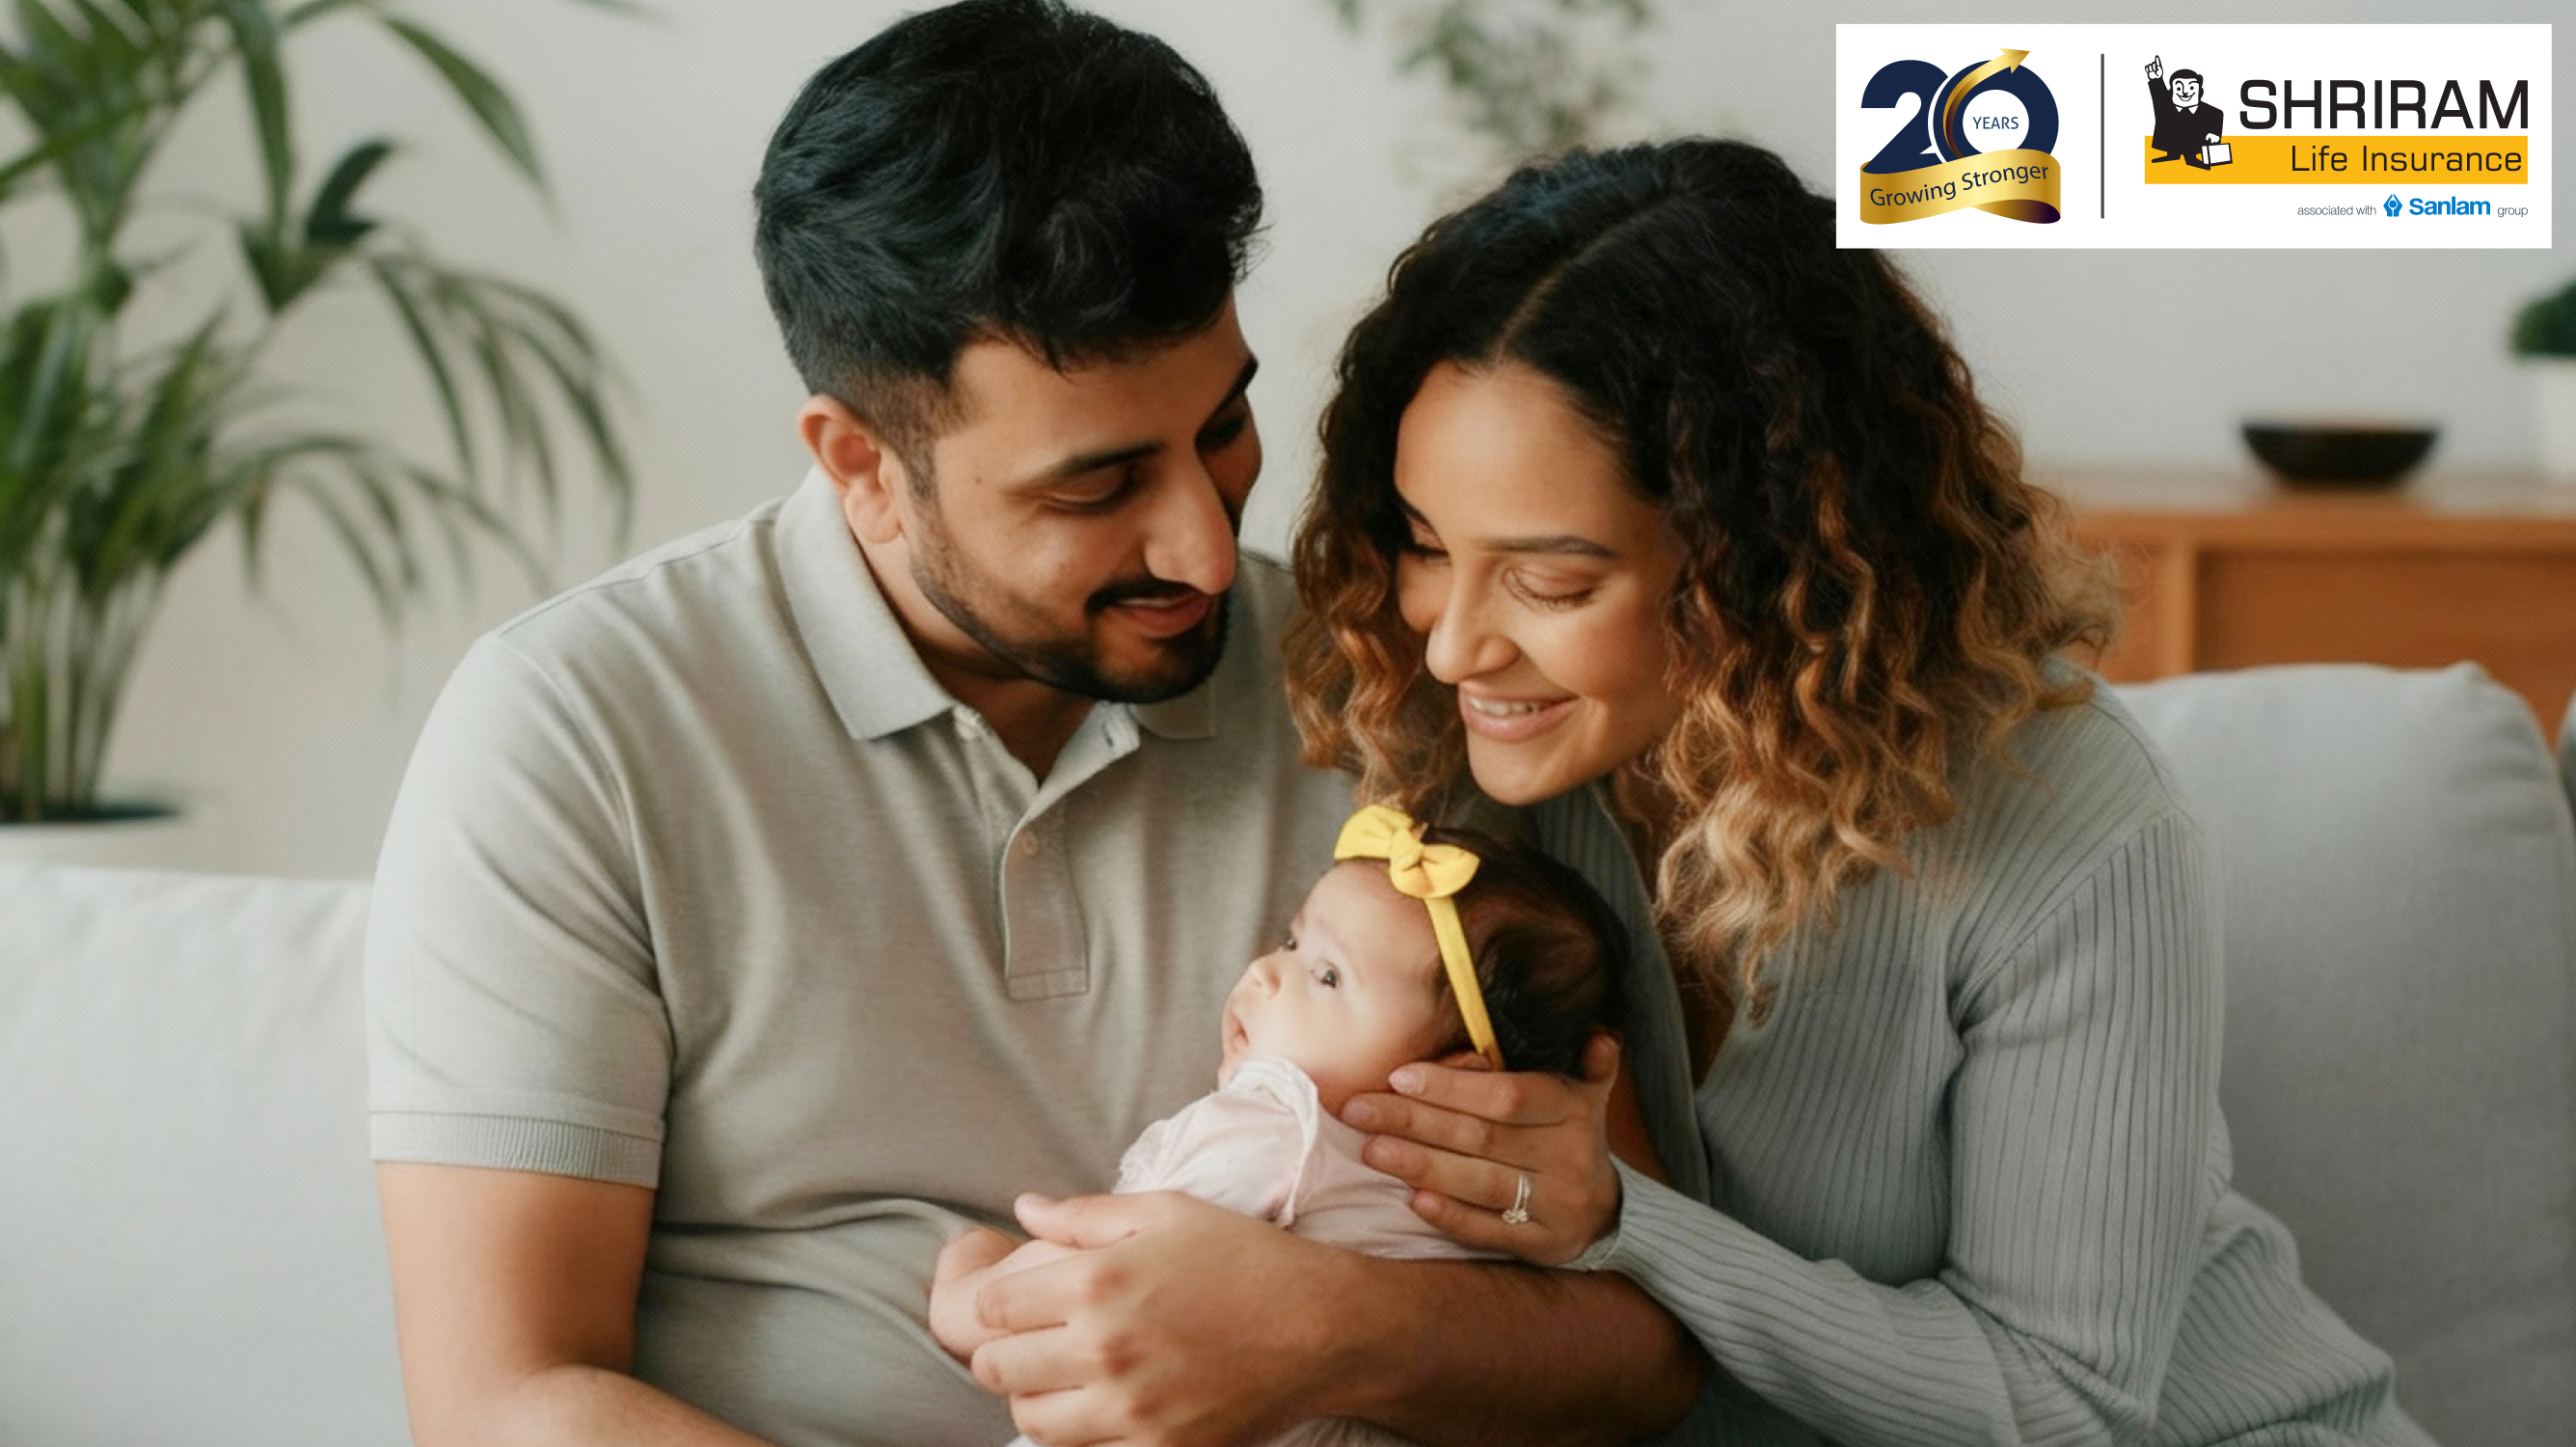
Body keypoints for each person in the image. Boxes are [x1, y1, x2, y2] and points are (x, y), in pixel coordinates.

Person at [365, 4, 1694, 1445]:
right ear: (863, 465)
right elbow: (506, 1400)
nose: (1201, 548)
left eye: (1225, 428)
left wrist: (1328, 1330)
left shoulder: (1396, 688)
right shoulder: (575, 734)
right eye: (1095, 488)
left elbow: (1644, 1340)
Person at [1287, 138, 2434, 1444]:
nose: (1452, 644)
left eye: (1551, 583)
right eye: (1428, 548)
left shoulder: (2070, 824)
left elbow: (2061, 1405)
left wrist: (1624, 1222)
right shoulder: (1462, 768)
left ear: (1760, 565)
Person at [935, 805, 1638, 1447]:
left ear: (1454, 1079)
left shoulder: (1277, 1130)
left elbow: (1078, 1294)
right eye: (1290, 940)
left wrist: (969, 1276)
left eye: (1328, 976)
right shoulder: (1497, 1211)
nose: (1266, 973)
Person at [2147, 56, 2224, 167]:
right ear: (2171, 90)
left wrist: (2215, 134)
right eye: (2178, 88)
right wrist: (2156, 80)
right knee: (2167, 119)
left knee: (2190, 138)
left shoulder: (2212, 112)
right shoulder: (2166, 108)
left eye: (2191, 88)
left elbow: (2217, 117)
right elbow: (2159, 97)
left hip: (2197, 145)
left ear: (2199, 90)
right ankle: (2173, 154)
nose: (2185, 92)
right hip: (2171, 142)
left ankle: (2191, 158)